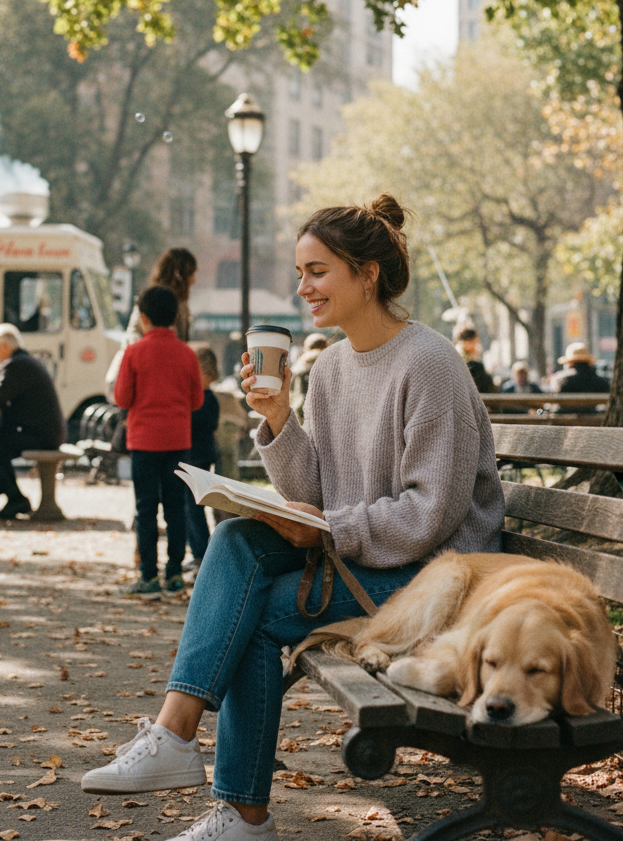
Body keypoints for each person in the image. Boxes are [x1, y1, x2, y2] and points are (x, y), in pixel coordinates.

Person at [78, 194, 504, 841]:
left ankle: (232, 801)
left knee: (249, 616)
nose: (302, 287)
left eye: (317, 271)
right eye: (300, 272)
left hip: (434, 583)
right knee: (238, 536)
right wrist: (278, 418)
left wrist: (331, 528)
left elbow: (430, 514)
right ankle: (182, 741)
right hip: (369, 561)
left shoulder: (430, 363)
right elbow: (314, 486)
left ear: (368, 274)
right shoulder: (330, 367)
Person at [114, 286, 204, 598]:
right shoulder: (187, 354)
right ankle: (175, 574)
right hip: (178, 440)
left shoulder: (134, 352)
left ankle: (149, 577)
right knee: (176, 508)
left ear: (143, 317)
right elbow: (196, 400)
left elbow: (122, 397)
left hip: (143, 442)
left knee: (146, 507)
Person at [0, 323, 66, 520]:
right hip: (40, 432)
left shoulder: (16, 365)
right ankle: (15, 499)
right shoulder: (24, 362)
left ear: (4, 346)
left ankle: (15, 499)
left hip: (39, 436)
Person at [182, 344, 221, 577]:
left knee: (192, 506)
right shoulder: (207, 399)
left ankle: (201, 552)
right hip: (199, 455)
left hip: (197, 456)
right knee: (191, 506)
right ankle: (198, 551)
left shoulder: (205, 400)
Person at [554, 342, 611, 412]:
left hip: (566, 420)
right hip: (593, 419)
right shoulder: (600, 380)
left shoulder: (561, 379)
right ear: (588, 361)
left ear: (570, 362)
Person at [288, 331, 328, 422]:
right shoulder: (329, 361)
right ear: (325, 345)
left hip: (300, 412)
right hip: (325, 413)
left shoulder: (298, 364)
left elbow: (291, 392)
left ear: (307, 347)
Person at [455, 326, 496, 393]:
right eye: (475, 341)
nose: (477, 344)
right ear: (467, 342)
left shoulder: (472, 357)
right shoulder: (468, 361)